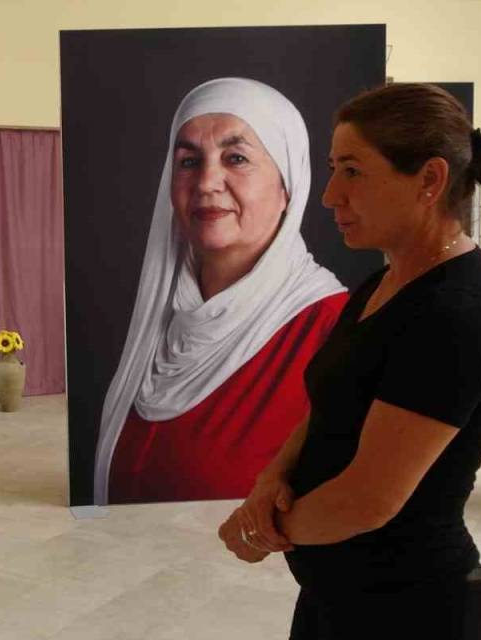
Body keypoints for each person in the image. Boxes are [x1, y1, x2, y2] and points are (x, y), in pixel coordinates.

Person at [217, 83, 481, 639]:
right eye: (333, 168)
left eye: (353, 171)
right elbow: (333, 402)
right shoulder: (386, 282)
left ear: (429, 180)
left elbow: (368, 500)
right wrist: (273, 477)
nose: (331, 194)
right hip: (341, 592)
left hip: (407, 608)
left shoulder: (456, 317)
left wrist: (262, 529)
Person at [94, 78, 348, 505]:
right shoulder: (156, 324)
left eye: (236, 158)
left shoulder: (335, 331)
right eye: (188, 161)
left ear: (288, 186)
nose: (207, 182)